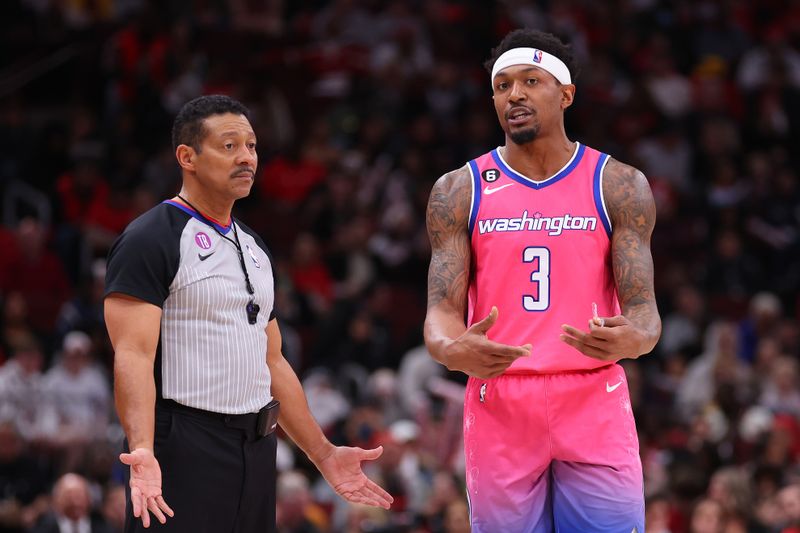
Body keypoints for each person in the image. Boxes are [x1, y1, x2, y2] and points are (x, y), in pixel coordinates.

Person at [104, 95, 392, 533]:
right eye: (229, 146)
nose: (247, 158)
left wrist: (324, 454)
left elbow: (272, 361)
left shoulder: (255, 247)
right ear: (187, 157)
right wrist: (142, 450)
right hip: (184, 445)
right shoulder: (150, 238)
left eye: (252, 146)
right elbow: (133, 355)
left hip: (257, 448)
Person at [424, 29, 661, 532]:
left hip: (591, 391)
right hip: (501, 396)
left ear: (566, 94)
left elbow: (645, 312)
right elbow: (441, 310)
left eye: (531, 81)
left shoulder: (618, 183)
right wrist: (449, 349)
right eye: (503, 85)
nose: (516, 94)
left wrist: (637, 337)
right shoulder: (458, 189)